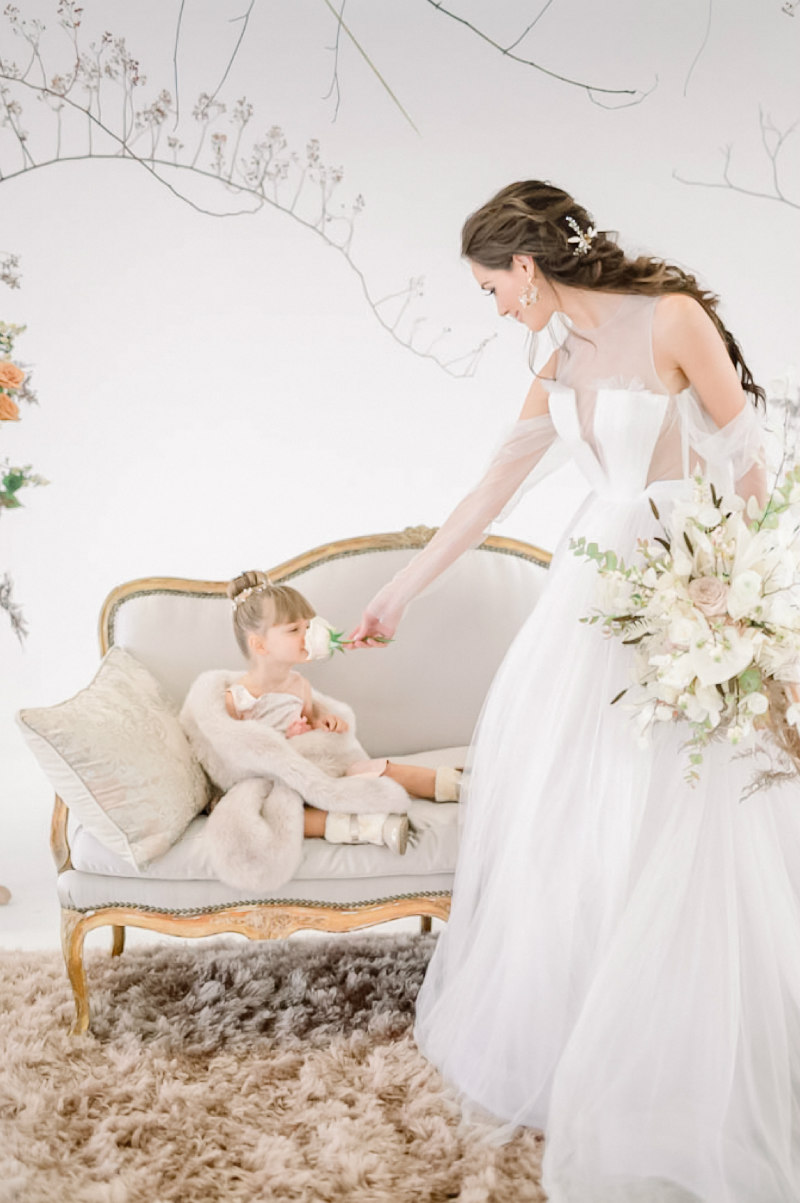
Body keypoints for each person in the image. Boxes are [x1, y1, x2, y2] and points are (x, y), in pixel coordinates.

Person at [350, 181, 800, 1202]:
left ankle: (690, 1054)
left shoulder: (672, 320)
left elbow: (749, 461)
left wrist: (744, 588)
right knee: (579, 815)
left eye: (490, 288)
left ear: (525, 266)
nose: (495, 307)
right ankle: (583, 1043)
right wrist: (398, 593)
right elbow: (489, 491)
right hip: (587, 602)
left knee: (688, 815)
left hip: (683, 586)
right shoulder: (554, 361)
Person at [226, 571, 462, 853]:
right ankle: (372, 828)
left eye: (307, 627)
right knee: (281, 814)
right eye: (293, 630)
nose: (306, 636)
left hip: (316, 774)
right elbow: (235, 756)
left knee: (372, 769)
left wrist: (323, 723)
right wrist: (283, 740)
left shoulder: (299, 685)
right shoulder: (238, 698)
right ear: (259, 644)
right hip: (278, 783)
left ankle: (453, 785)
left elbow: (310, 722)